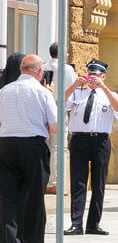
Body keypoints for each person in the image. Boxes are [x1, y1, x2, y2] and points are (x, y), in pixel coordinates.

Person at [0, 54, 57, 243]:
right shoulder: (42, 92)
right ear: (39, 71)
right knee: (34, 195)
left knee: (7, 196)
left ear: (22, 69)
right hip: (32, 144)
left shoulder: (5, 91)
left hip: (6, 144)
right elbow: (54, 127)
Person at [62, 60, 118, 236]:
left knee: (98, 184)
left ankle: (93, 224)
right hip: (79, 139)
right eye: (90, 75)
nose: (92, 79)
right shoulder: (77, 94)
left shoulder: (111, 94)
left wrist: (104, 88)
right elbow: (60, 103)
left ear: (103, 77)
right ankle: (76, 224)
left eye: (96, 76)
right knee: (78, 182)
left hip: (100, 141)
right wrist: (74, 84)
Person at [43, 43, 78, 195]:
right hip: (58, 110)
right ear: (63, 52)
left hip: (43, 111)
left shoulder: (43, 66)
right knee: (57, 147)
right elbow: (73, 87)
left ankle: (46, 180)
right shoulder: (67, 69)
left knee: (46, 146)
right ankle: (54, 182)